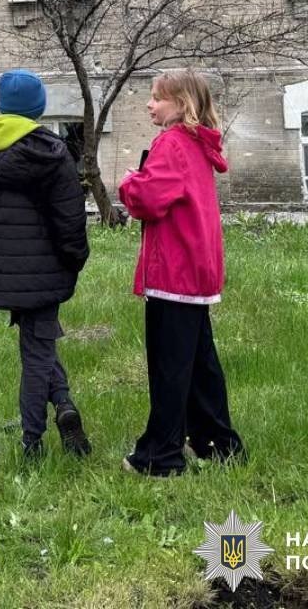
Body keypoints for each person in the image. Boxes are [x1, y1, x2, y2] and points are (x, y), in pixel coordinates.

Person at [0, 69, 91, 458]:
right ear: (39, 108)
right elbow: (70, 219)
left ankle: (64, 403)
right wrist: (73, 260)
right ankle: (33, 440)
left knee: (37, 341)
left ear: (1, 105)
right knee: (37, 349)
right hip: (48, 269)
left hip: (2, 268)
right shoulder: (54, 153)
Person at [117, 69, 244, 477]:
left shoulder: (171, 143)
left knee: (170, 368)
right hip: (196, 269)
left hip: (174, 271)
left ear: (181, 104)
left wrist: (128, 183)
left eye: (156, 98)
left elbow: (150, 200)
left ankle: (160, 456)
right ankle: (218, 444)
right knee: (199, 365)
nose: (149, 104)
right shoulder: (195, 144)